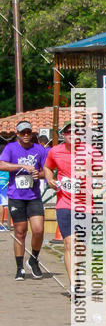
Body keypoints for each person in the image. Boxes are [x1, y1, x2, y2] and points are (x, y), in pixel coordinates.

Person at [44, 122, 106, 297]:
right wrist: (50, 179)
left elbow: (105, 171)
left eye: (75, 132)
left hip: (86, 205)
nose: (71, 134)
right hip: (64, 204)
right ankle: (74, 286)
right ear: (63, 135)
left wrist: (89, 175)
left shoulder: (90, 150)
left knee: (80, 247)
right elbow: (47, 167)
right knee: (69, 244)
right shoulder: (55, 151)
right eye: (68, 132)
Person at [0, 120, 47, 279]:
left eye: (28, 132)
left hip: (34, 196)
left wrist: (38, 175)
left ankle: (33, 259)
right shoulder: (10, 148)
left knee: (39, 230)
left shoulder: (39, 149)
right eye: (22, 133)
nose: (26, 135)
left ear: (32, 133)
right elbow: (2, 165)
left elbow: (46, 171)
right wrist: (22, 167)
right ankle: (19, 267)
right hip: (16, 196)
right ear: (18, 134)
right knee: (20, 232)